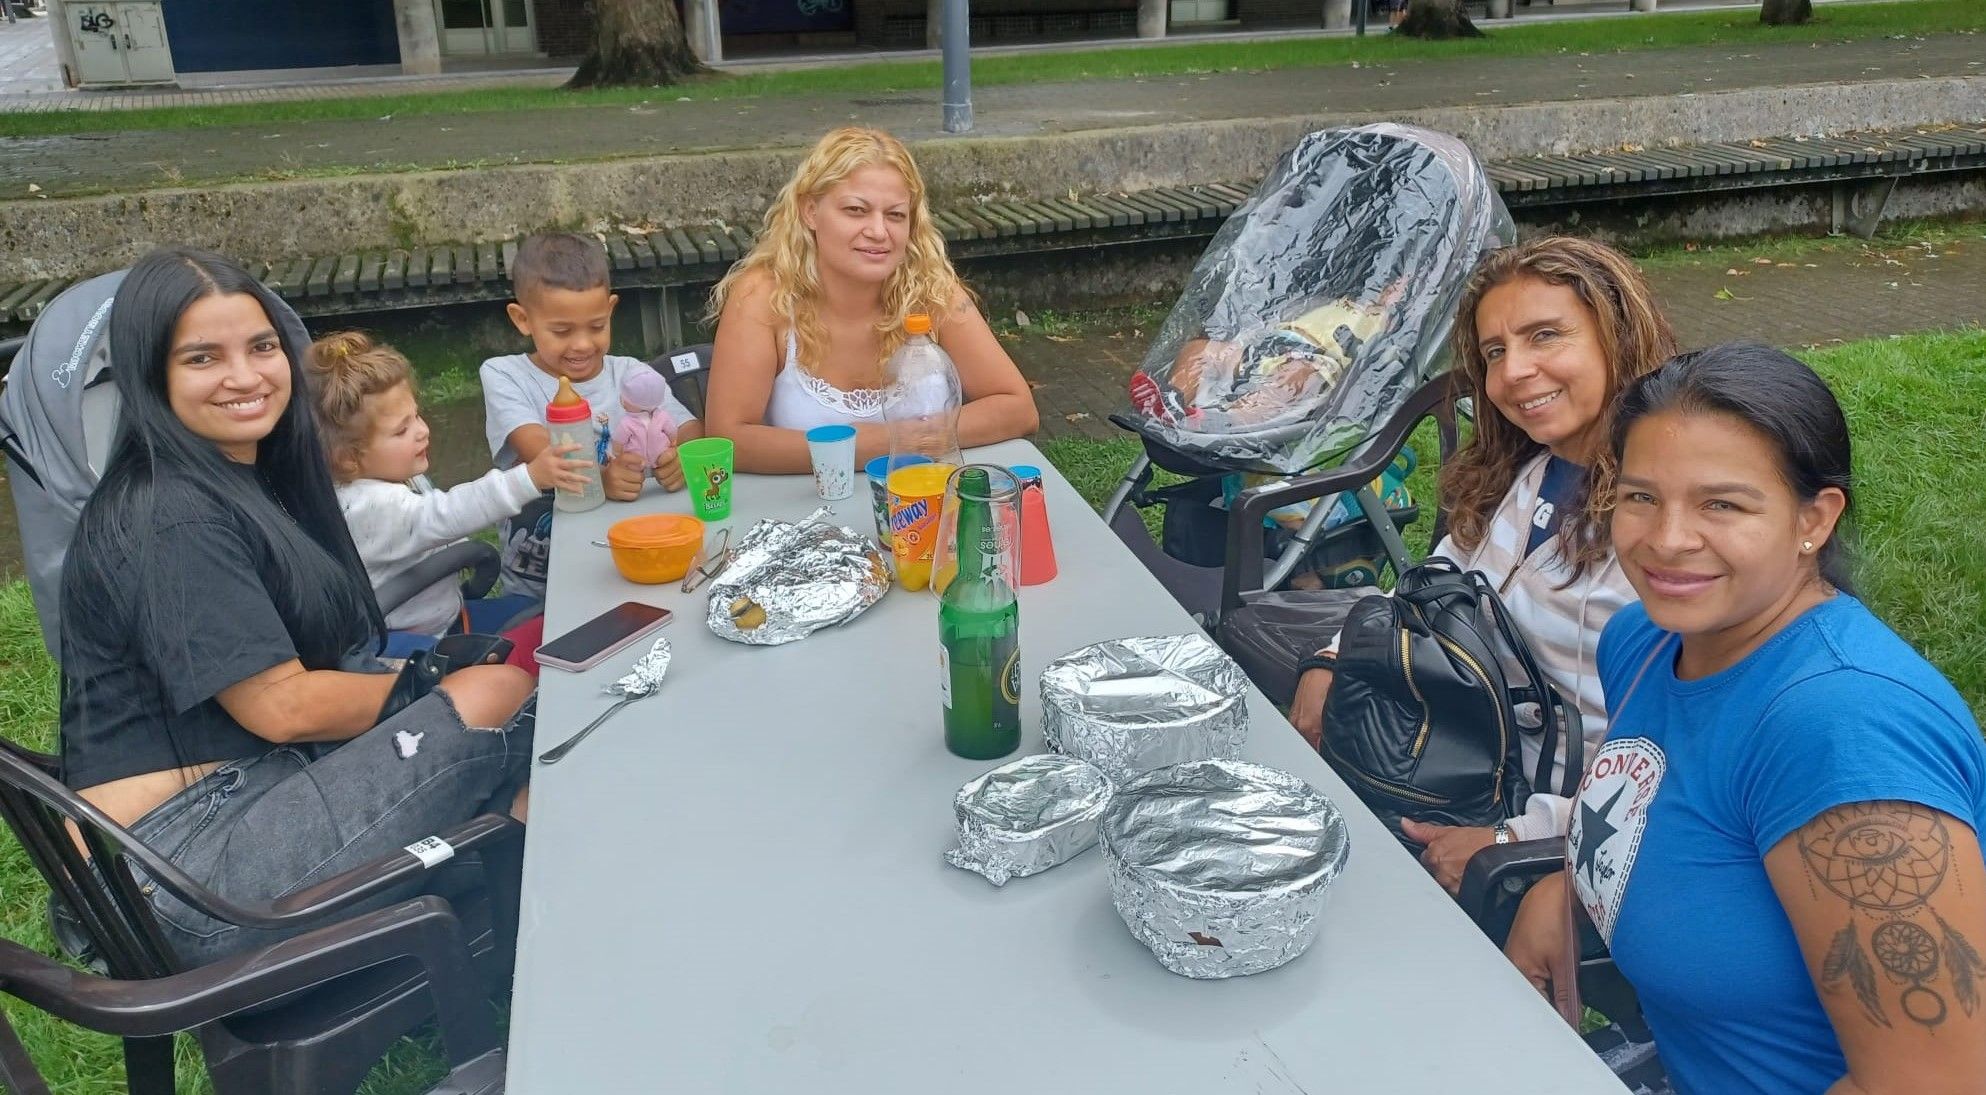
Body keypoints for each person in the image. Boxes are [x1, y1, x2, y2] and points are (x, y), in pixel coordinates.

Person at [1505, 343, 1986, 1094]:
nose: (1666, 539)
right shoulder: (1645, 640)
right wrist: (1567, 889)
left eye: (1721, 504)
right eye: (1639, 497)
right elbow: (1661, 808)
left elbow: (1936, 1085)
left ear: (1814, 519)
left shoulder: (1844, 735)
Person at [57, 247, 536, 964]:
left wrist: (430, 673)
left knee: (516, 743)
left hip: (241, 805)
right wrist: (426, 681)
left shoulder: (241, 477)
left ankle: (518, 903)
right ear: (148, 372)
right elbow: (281, 708)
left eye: (260, 346)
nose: (245, 376)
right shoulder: (169, 513)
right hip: (175, 877)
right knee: (503, 693)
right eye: (202, 358)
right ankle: (522, 907)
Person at [1289, 236, 1679, 894]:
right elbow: (1427, 595)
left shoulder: (1667, 528)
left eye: (1545, 336)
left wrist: (1513, 840)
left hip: (1543, 832)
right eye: (1496, 351)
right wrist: (1332, 657)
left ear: (1619, 337)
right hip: (1441, 755)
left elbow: (1666, 761)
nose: (1514, 372)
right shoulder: (1524, 473)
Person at [703, 127, 1038, 474]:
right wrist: (884, 444)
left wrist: (903, 440)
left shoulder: (933, 290)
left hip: (926, 507)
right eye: (856, 210)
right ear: (810, 212)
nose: (879, 232)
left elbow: (1019, 408)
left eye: (895, 215)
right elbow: (728, 440)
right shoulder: (762, 297)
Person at [306, 330, 589, 655]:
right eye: (402, 429)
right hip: (412, 649)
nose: (423, 430)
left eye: (417, 416)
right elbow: (447, 513)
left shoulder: (390, 477)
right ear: (348, 458)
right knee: (551, 639)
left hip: (446, 620)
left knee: (546, 614)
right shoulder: (368, 506)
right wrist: (529, 478)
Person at [480, 232, 702, 598]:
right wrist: (601, 480)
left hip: (629, 563)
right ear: (522, 319)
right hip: (542, 585)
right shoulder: (505, 375)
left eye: (597, 326)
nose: (582, 344)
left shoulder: (630, 372)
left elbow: (692, 427)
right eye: (562, 331)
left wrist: (679, 457)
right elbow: (536, 445)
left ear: (611, 310)